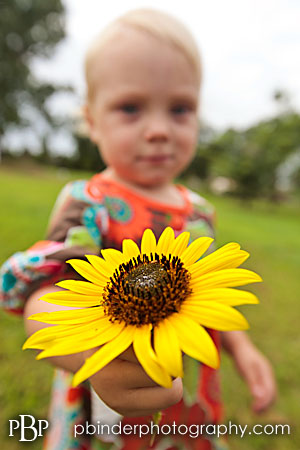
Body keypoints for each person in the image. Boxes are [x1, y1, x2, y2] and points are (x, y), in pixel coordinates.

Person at [0, 8, 276, 450]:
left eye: (180, 109)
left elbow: (209, 295)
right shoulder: (88, 203)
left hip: (183, 400)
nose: (159, 130)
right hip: (101, 404)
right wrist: (92, 356)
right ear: (91, 121)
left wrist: (242, 349)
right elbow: (44, 295)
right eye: (131, 108)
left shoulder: (200, 212)